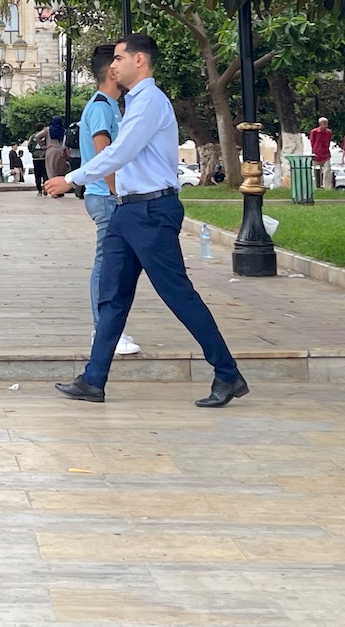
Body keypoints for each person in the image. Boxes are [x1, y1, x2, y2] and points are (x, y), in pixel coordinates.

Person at [44, 34, 247, 408]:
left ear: (140, 60)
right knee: (112, 297)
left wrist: (71, 178)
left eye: (119, 57)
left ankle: (228, 373)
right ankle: (93, 380)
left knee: (178, 295)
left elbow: (121, 151)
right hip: (128, 209)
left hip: (152, 212)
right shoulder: (134, 103)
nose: (113, 65)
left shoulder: (150, 101)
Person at [77, 44, 138, 356]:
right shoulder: (102, 107)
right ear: (113, 72)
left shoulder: (110, 106)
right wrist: (118, 193)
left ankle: (109, 328)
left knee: (115, 264)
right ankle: (104, 329)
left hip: (106, 196)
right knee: (107, 265)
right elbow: (105, 154)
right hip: (105, 197)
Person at [309, 116, 333, 189]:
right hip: (316, 155)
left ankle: (327, 187)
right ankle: (316, 186)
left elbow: (328, 141)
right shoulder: (314, 132)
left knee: (327, 171)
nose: (325, 125)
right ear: (320, 124)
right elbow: (312, 142)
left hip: (326, 155)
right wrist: (314, 151)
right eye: (324, 123)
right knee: (316, 172)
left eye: (326, 123)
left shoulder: (329, 132)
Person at [28, 122, 49, 195]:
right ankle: (46, 188)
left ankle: (39, 190)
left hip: (35, 157)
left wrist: (32, 152)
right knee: (45, 173)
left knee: (37, 174)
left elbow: (29, 145)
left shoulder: (33, 136)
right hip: (44, 156)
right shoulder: (46, 135)